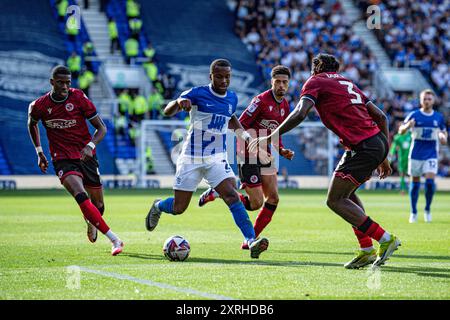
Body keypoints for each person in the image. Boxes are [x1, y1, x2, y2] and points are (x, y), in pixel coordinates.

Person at [250, 53, 401, 269]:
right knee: (347, 195)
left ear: (317, 67)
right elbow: (382, 117)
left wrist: (271, 135)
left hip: (363, 146)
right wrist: (384, 154)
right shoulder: (347, 82)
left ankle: (385, 239)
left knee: (335, 200)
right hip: (373, 142)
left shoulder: (316, 81)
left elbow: (301, 113)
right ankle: (366, 249)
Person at [145, 59, 269, 259]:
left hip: (215, 158)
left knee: (231, 195)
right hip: (191, 158)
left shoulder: (232, 98)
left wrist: (246, 137)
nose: (224, 80)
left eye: (227, 76)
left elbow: (231, 118)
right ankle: (158, 206)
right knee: (178, 208)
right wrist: (178, 103)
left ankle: (250, 240)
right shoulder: (197, 93)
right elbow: (167, 110)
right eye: (219, 76)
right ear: (210, 76)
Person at [27, 65, 123, 255]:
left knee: (99, 206)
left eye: (67, 83)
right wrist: (39, 152)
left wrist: (90, 146)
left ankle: (91, 221)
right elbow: (32, 124)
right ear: (51, 82)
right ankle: (115, 239)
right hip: (62, 158)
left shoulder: (79, 98)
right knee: (80, 194)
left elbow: (101, 128)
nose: (64, 86)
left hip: (86, 156)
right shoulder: (38, 105)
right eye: (60, 82)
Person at [198, 65, 295, 249]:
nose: (281, 85)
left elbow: (276, 132)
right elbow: (240, 125)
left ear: (289, 84)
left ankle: (251, 239)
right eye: (278, 82)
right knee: (256, 203)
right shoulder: (260, 101)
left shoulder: (285, 105)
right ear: (271, 82)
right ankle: (219, 192)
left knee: (273, 198)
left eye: (285, 82)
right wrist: (257, 150)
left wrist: (281, 149)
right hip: (248, 153)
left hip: (267, 154)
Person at [398, 89, 448, 223]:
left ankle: (427, 209)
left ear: (433, 101)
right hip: (416, 153)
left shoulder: (438, 117)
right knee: (414, 183)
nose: (427, 101)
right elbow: (401, 131)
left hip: (431, 153)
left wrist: (443, 137)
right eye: (424, 99)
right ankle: (413, 211)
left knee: (430, 183)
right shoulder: (414, 115)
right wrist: (408, 126)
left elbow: (443, 133)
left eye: (429, 99)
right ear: (421, 101)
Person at [389, 128, 411, 194]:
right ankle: (403, 189)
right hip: (401, 159)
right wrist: (391, 154)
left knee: (411, 175)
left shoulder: (411, 136)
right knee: (402, 175)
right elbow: (393, 147)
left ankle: (411, 189)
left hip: (410, 158)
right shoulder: (397, 137)